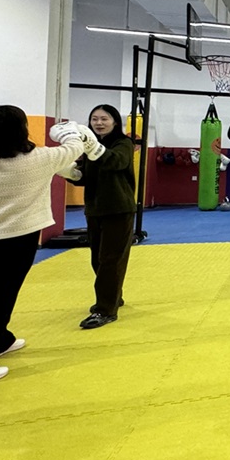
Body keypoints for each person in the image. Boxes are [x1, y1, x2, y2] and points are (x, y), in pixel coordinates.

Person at [0, 107, 99, 390]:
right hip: (18, 240)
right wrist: (73, 131)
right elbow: (73, 148)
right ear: (20, 130)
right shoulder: (37, 159)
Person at [67, 105, 136, 330]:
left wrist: (92, 147)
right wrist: (68, 172)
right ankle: (114, 296)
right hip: (95, 208)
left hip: (119, 208)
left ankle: (105, 310)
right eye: (94, 119)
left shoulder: (123, 143)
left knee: (110, 260)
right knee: (97, 259)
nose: (99, 123)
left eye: (104, 119)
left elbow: (116, 162)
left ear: (115, 122)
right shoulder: (90, 146)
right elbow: (84, 177)